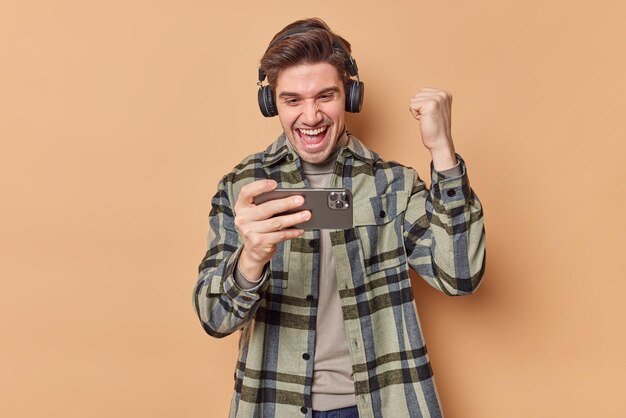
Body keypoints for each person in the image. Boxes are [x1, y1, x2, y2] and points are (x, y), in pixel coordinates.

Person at [193, 17, 486, 418]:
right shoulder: (242, 187)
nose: (310, 116)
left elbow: (460, 275)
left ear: (349, 95)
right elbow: (214, 319)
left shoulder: (391, 183)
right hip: (275, 405)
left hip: (381, 405)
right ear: (271, 103)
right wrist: (251, 259)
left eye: (325, 96)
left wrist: (442, 152)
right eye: (292, 100)